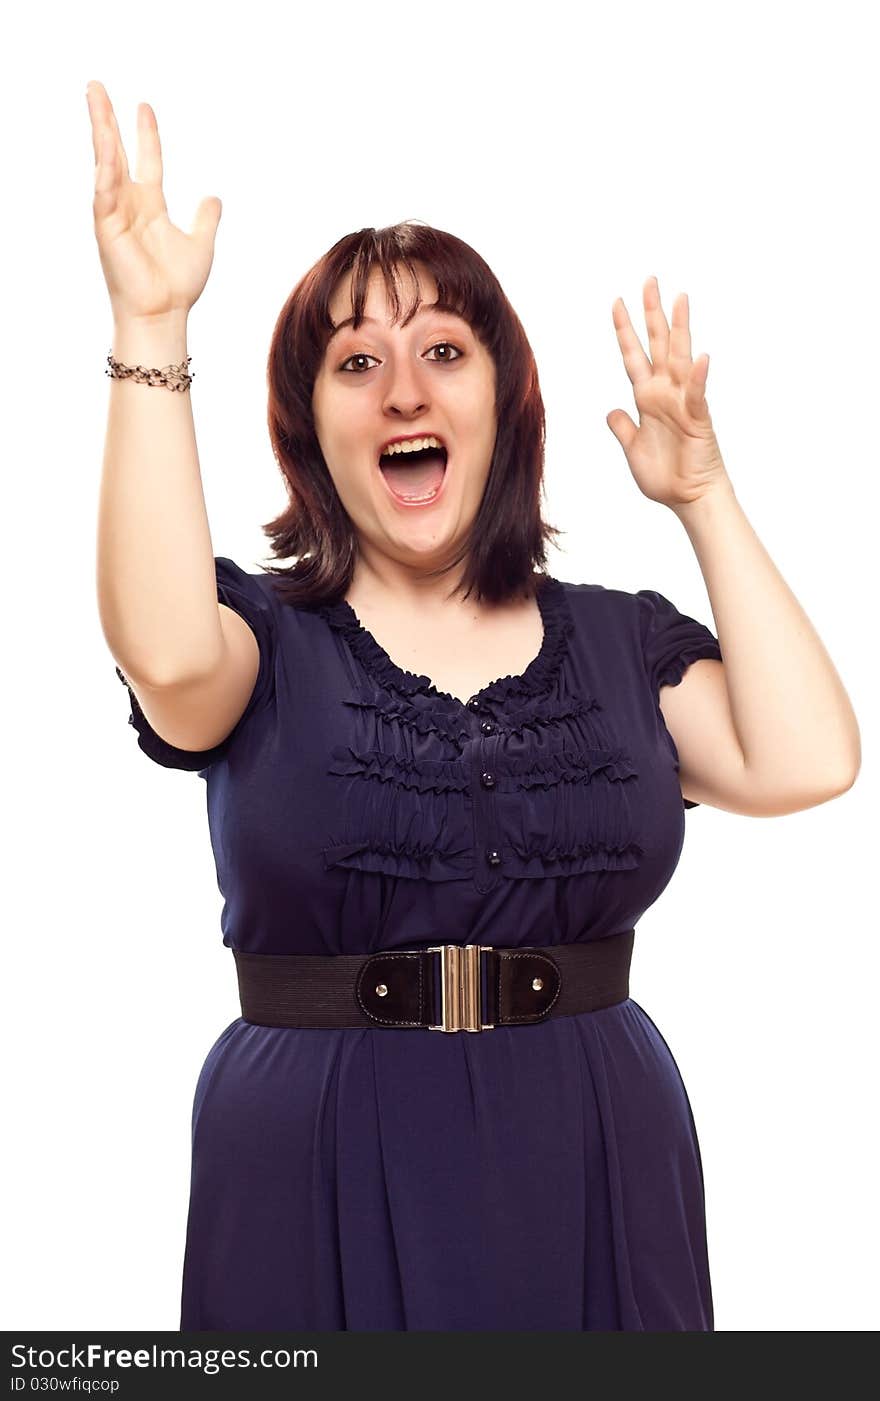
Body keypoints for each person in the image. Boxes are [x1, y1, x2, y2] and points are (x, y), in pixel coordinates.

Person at [89, 81, 861, 1332]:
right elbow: (164, 656)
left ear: (502, 402)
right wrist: (150, 325)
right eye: (357, 363)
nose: (404, 390)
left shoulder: (621, 642)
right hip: (310, 1151)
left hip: (598, 1139)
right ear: (311, 429)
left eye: (444, 351)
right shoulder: (258, 638)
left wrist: (703, 492)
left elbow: (810, 758)